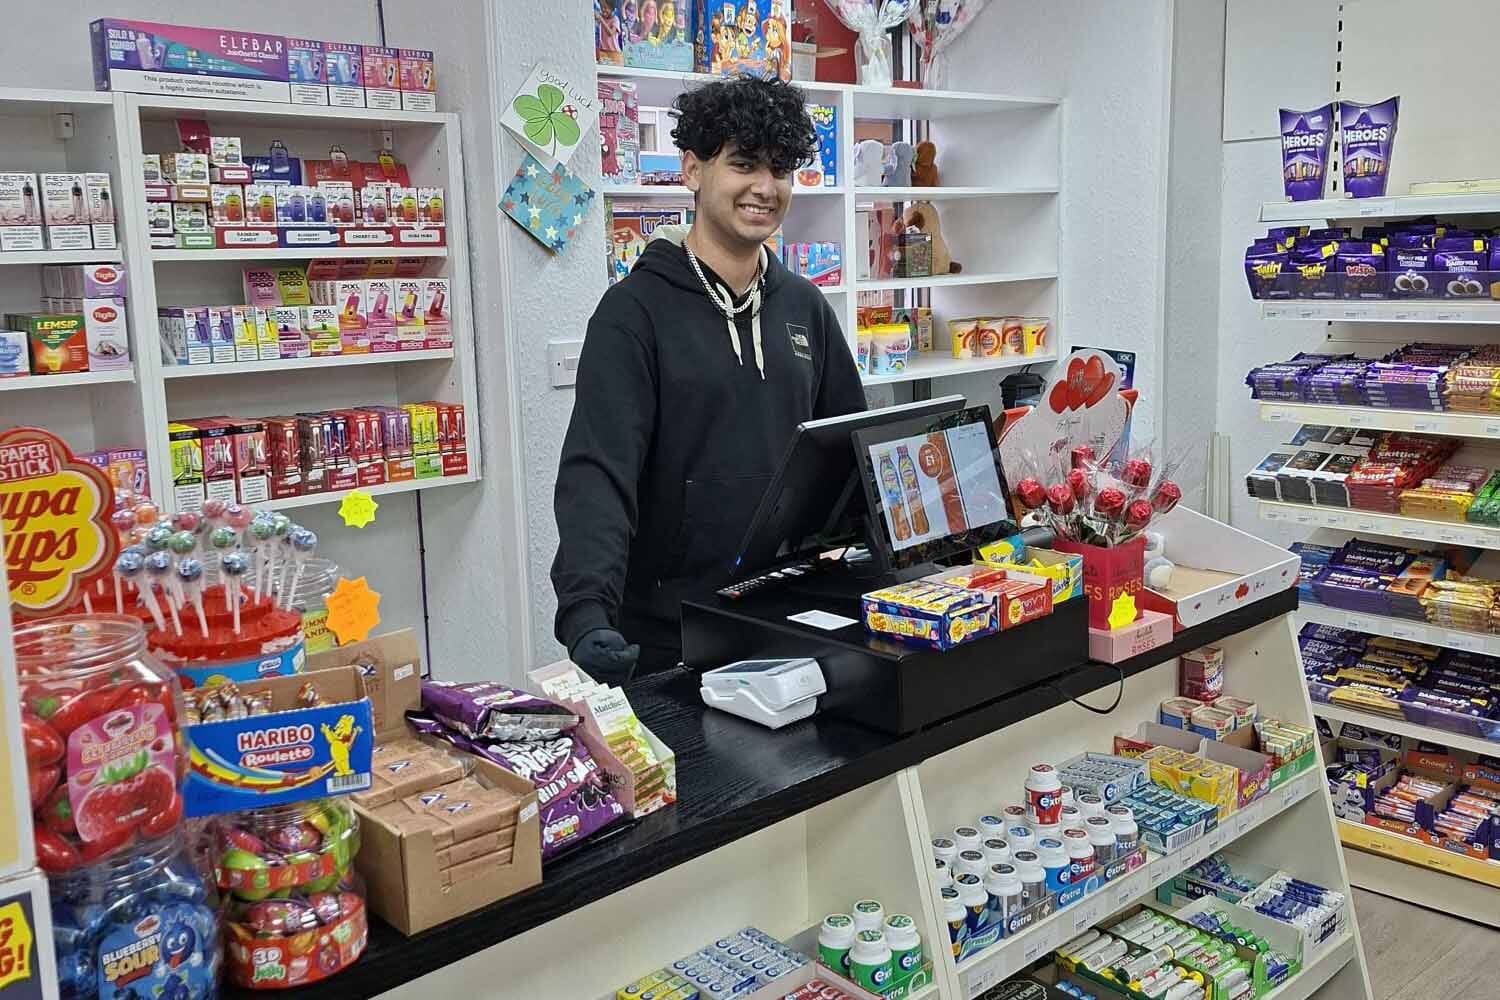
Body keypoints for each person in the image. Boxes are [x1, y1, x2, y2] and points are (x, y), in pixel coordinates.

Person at [552, 76, 866, 682]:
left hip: (791, 617)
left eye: (779, 169)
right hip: (670, 635)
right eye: (743, 164)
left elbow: (851, 449)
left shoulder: (805, 307)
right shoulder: (633, 313)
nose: (764, 187)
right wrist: (587, 613)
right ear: (693, 170)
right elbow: (598, 472)